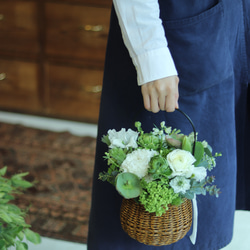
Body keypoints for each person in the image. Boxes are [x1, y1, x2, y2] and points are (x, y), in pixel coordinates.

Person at [87, 0, 250, 249]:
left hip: (226, 20)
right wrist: (150, 57)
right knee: (152, 193)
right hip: (174, 31)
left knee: (208, 202)